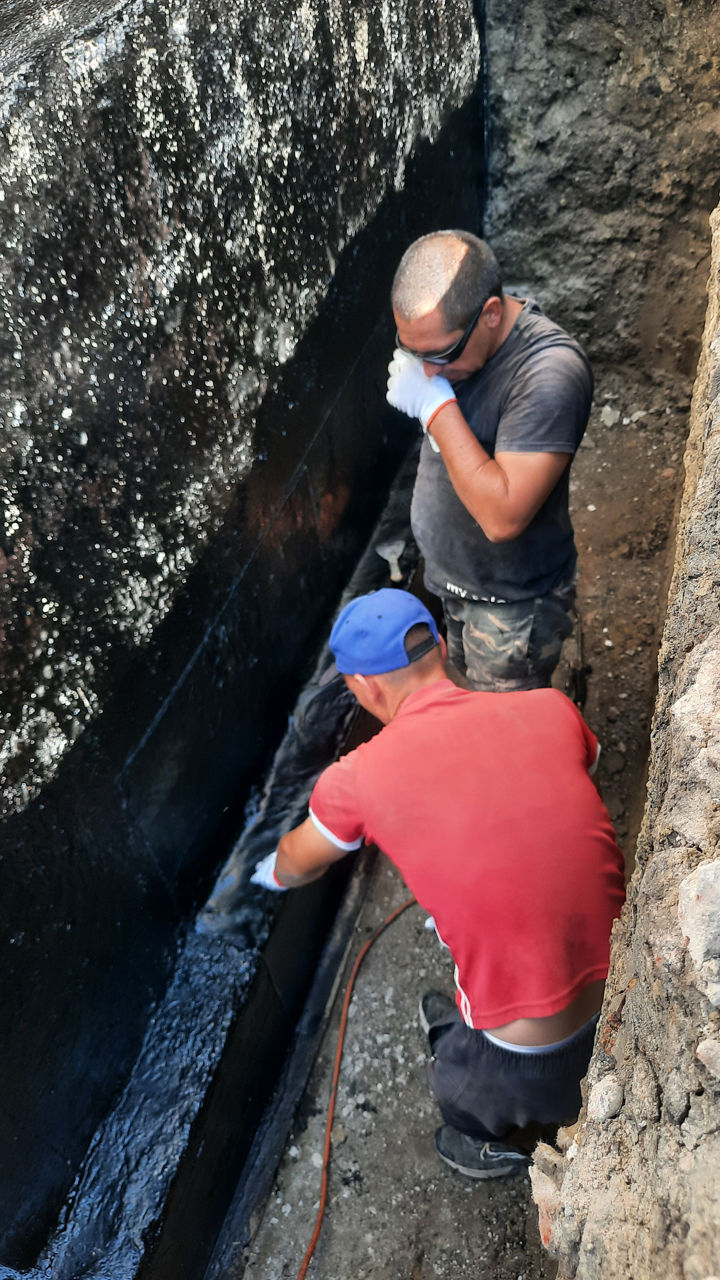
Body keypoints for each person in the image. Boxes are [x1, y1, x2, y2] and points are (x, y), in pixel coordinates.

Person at [251, 588, 625, 1179]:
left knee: (455, 1087)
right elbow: (586, 765)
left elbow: (295, 863)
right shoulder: (551, 707)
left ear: (365, 688)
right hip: (629, 998)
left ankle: (487, 1146)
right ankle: (474, 1034)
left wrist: (264, 870)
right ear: (443, 648)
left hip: (542, 1061)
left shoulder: (354, 781)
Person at [386, 229, 593, 692]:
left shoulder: (548, 373)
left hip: (512, 609)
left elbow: (502, 516)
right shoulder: (451, 350)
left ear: (491, 315)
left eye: (439, 354)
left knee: (508, 739)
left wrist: (436, 408)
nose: (426, 372)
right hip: (454, 584)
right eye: (411, 352)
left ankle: (568, 752)